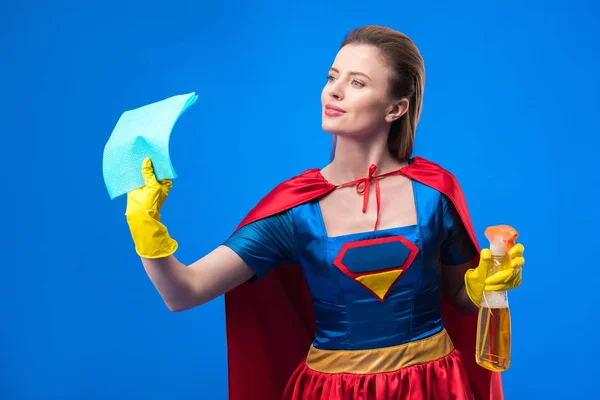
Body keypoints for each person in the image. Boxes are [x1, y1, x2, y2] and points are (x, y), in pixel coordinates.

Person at [124, 25, 525, 400]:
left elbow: (459, 300)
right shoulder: (295, 207)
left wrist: (485, 287)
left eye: (357, 82)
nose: (334, 92)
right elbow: (183, 292)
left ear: (396, 108)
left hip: (433, 385)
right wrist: (147, 228)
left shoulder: (435, 193)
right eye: (332, 77)